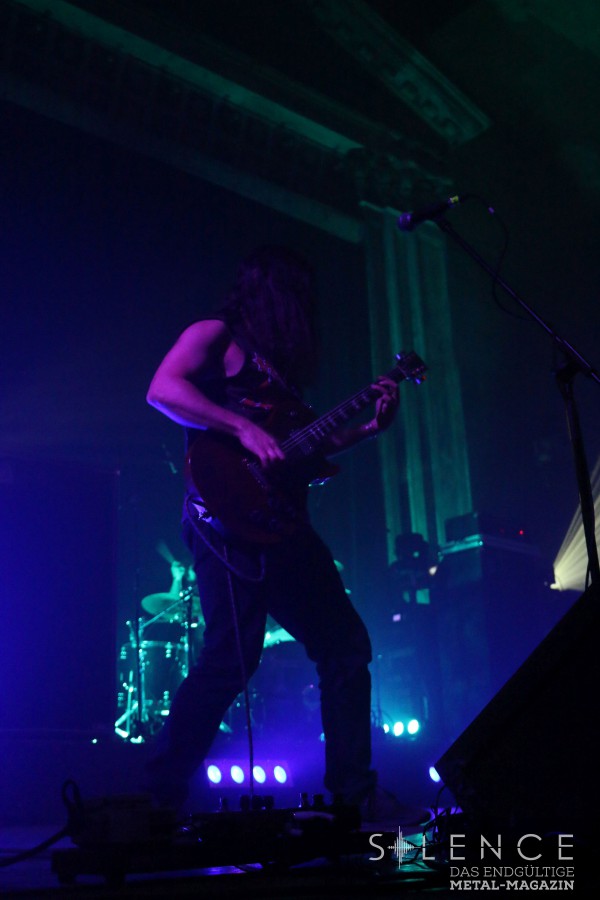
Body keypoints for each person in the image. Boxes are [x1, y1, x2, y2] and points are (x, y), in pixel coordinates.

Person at [143, 245, 402, 819]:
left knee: (344, 646)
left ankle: (354, 797)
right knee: (229, 659)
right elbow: (163, 389)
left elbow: (303, 448)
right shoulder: (215, 335)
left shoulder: (280, 374)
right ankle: (157, 798)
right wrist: (240, 427)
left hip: (280, 524)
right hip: (223, 519)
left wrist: (367, 429)